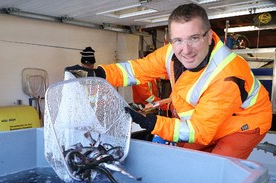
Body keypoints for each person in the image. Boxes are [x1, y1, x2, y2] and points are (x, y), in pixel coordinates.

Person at [65, 3, 272, 159]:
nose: (186, 50)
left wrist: (150, 122)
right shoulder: (170, 53)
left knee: (213, 170)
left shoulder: (226, 75)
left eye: (194, 38)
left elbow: (198, 132)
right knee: (185, 158)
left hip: (243, 125)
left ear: (209, 36)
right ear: (171, 40)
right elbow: (136, 70)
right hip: (207, 119)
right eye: (178, 40)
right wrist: (98, 74)